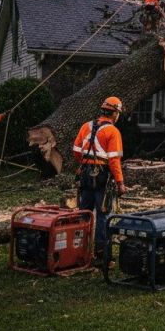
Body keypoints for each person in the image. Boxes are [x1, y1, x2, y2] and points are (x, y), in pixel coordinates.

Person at [73, 96, 127, 261]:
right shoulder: (112, 131)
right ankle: (102, 255)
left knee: (84, 212)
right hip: (102, 175)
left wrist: (85, 164)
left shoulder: (86, 126)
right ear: (115, 113)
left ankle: (78, 250)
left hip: (85, 174)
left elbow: (76, 150)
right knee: (103, 214)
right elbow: (114, 160)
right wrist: (120, 183)